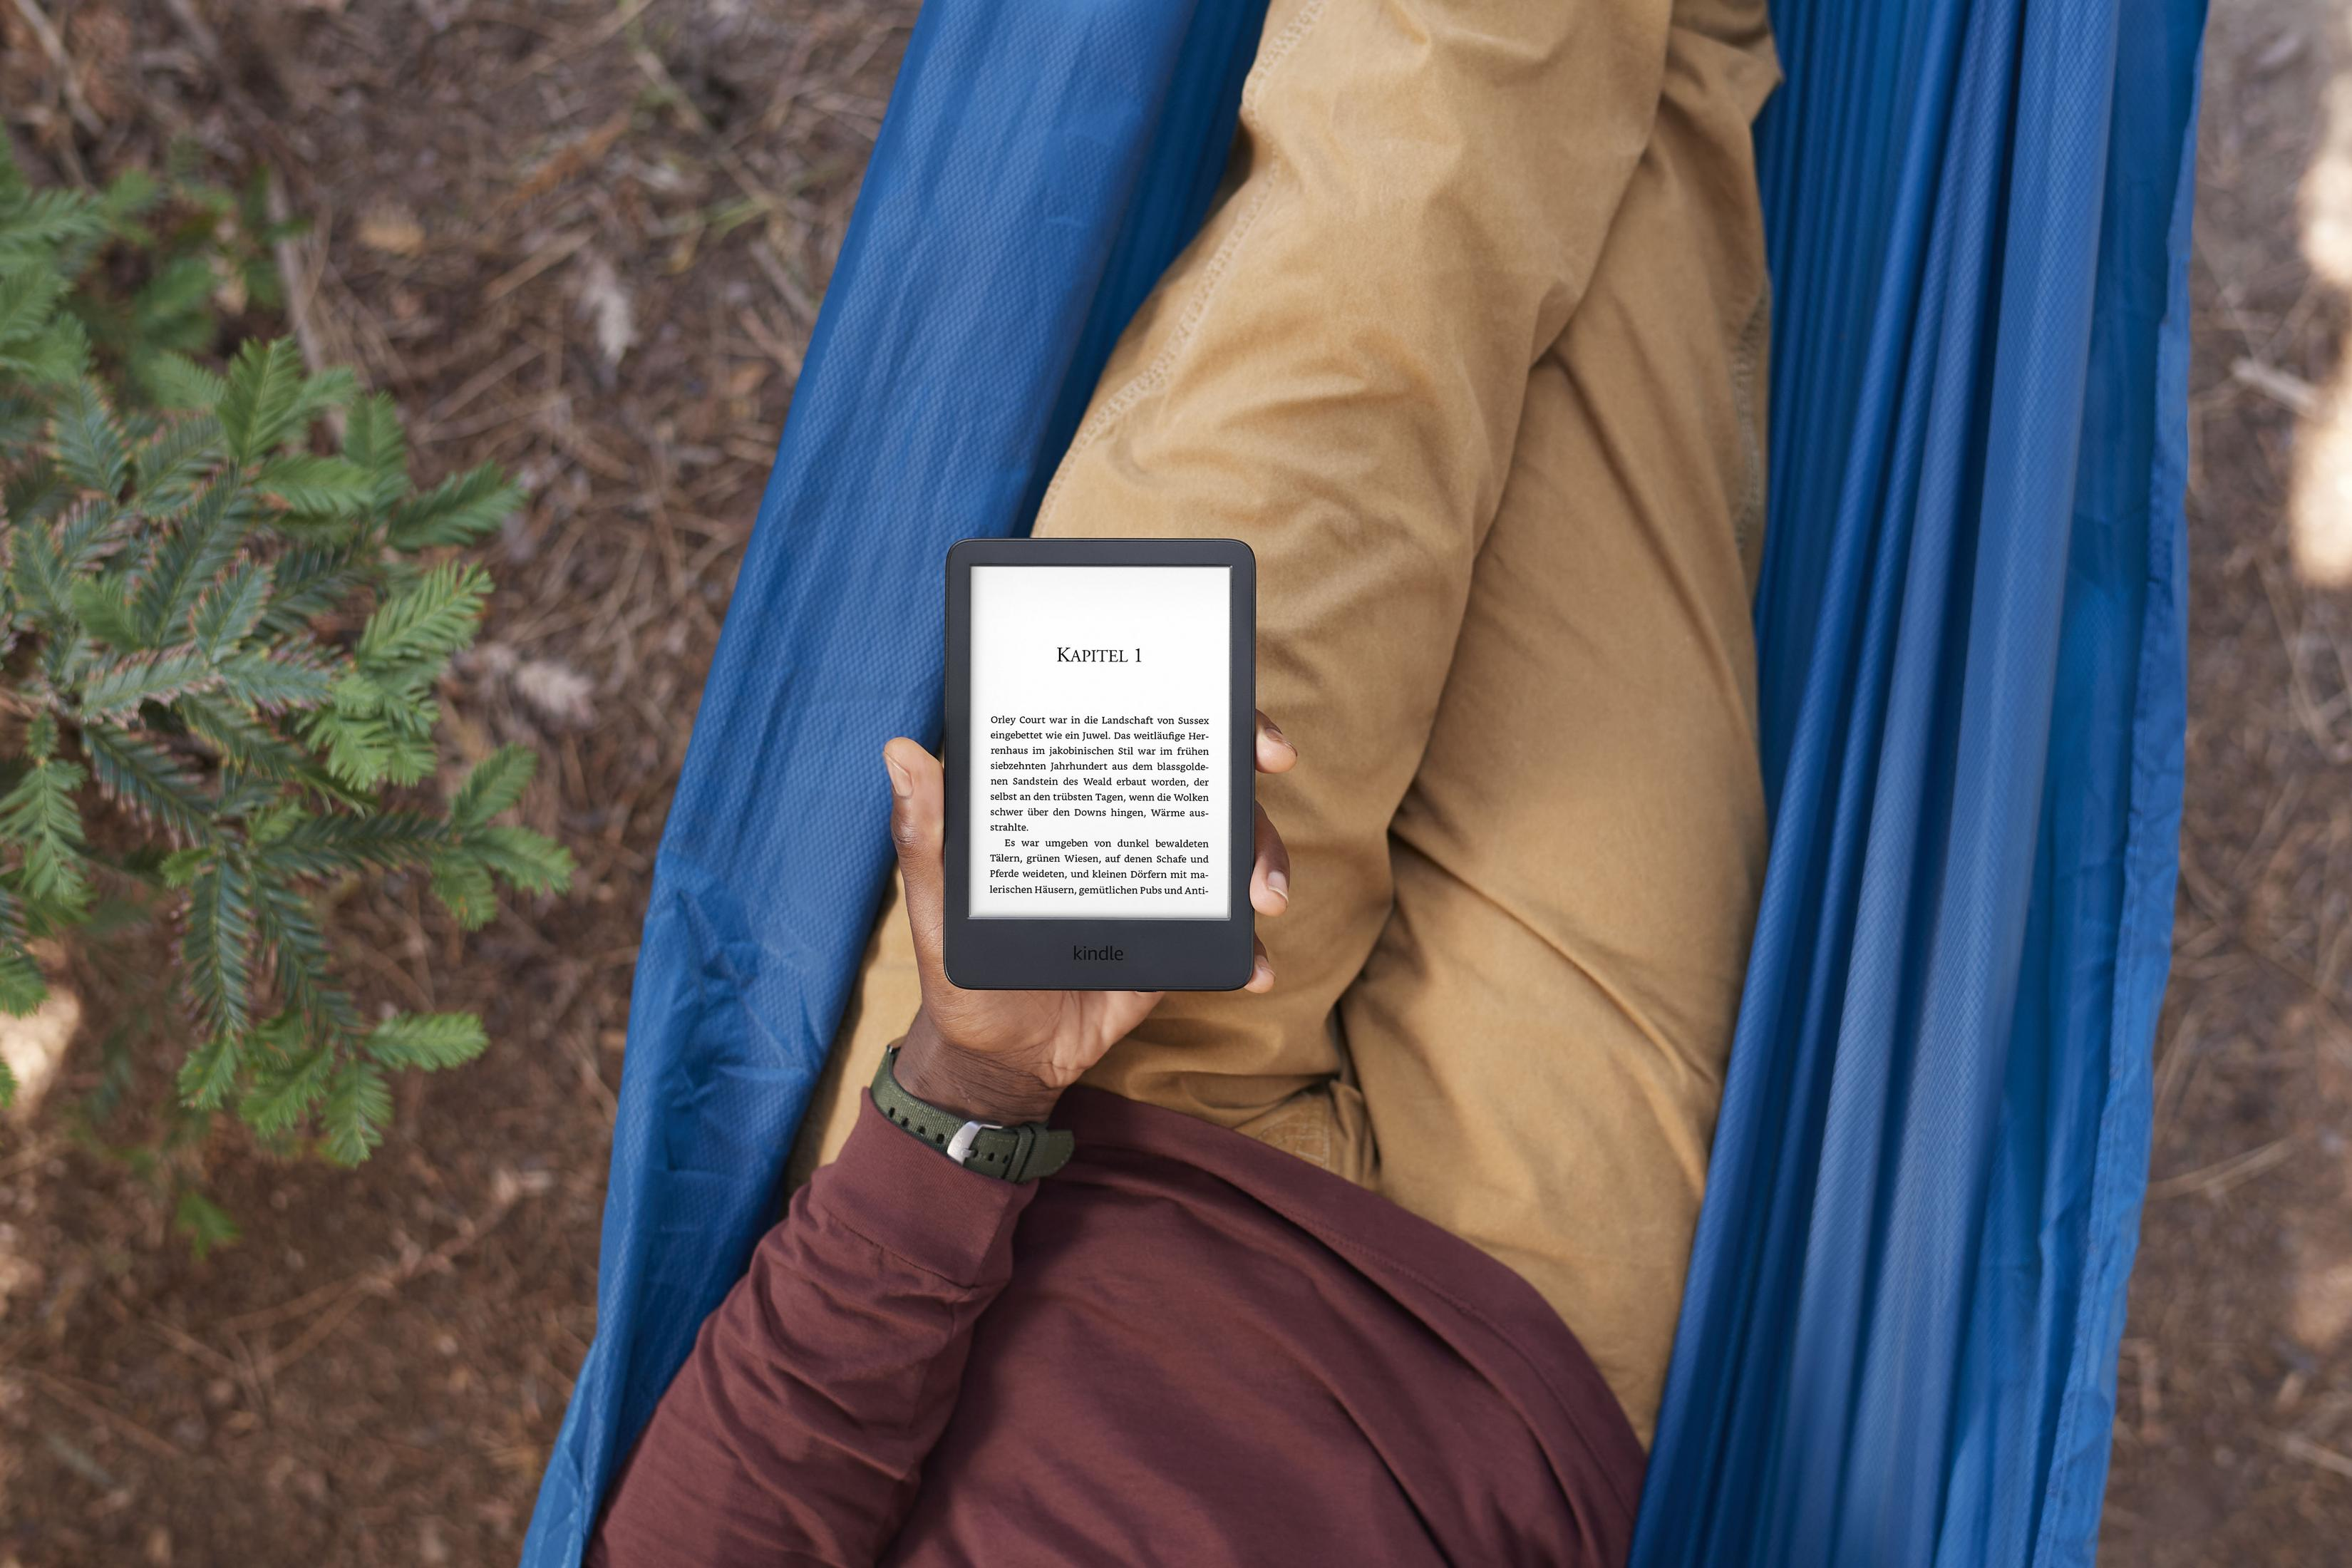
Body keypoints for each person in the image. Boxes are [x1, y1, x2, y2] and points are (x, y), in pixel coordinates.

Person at [592, 0, 1778, 1559]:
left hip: (1053, 1097)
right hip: (1524, 1326)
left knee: (1380, 220)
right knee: (1663, 224)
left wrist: (976, 1075)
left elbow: (741, 1505)